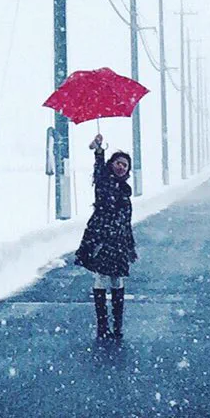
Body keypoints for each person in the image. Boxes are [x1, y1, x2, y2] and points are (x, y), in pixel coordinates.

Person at [74, 132, 137, 340]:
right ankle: (103, 325)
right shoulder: (104, 181)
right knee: (101, 277)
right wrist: (99, 150)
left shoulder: (125, 189)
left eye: (125, 165)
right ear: (112, 164)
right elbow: (99, 167)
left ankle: (117, 325)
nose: (121, 167)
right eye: (118, 163)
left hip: (119, 239)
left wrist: (129, 244)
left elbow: (126, 220)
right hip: (101, 236)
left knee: (117, 278)